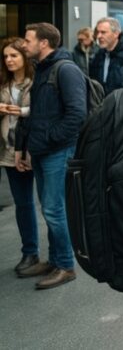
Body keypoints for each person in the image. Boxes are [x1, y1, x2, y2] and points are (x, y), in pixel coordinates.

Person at [15, 23, 88, 289]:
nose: (24, 44)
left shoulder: (65, 70)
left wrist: (51, 138)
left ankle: (66, 266)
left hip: (58, 151)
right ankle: (56, 260)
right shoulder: (43, 69)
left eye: (28, 39)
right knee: (49, 209)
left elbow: (77, 114)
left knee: (55, 210)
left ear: (43, 43)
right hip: (44, 151)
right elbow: (39, 113)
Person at [1, 38, 37, 275]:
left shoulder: (35, 82)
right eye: (5, 56)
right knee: (22, 204)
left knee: (52, 208)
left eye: (14, 55)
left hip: (32, 150)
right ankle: (30, 252)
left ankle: (60, 258)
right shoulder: (3, 83)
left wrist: (22, 111)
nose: (9, 60)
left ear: (24, 57)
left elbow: (46, 110)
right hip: (6, 151)